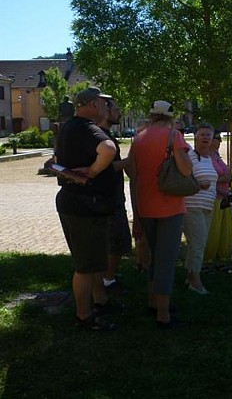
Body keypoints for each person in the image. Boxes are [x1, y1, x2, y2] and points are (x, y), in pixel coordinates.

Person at [54, 86, 120, 330]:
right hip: (84, 205)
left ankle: (100, 300)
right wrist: (93, 171)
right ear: (93, 105)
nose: (105, 107)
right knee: (84, 265)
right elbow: (108, 149)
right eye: (103, 103)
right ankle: (84, 316)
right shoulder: (86, 128)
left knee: (93, 260)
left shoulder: (69, 127)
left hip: (75, 201)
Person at [129, 100, 192, 329]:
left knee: (155, 256)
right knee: (166, 260)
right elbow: (186, 170)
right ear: (170, 117)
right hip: (169, 206)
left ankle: (153, 301)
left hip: (145, 206)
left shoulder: (138, 138)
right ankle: (163, 315)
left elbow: (133, 175)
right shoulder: (173, 136)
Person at [98, 98, 132, 295]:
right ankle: (107, 280)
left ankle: (108, 276)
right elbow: (107, 168)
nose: (119, 113)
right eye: (116, 110)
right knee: (115, 241)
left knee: (117, 241)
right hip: (108, 198)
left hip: (115, 195)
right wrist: (130, 160)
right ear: (106, 111)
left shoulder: (107, 135)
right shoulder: (101, 136)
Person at [182, 123, 219, 295]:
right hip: (192, 206)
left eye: (208, 135)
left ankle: (189, 276)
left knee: (196, 244)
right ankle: (196, 281)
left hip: (207, 206)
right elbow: (182, 178)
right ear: (195, 137)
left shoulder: (209, 158)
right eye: (202, 134)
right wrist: (198, 185)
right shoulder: (189, 156)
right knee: (198, 244)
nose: (205, 137)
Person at [203, 131, 232, 270]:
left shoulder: (216, 155)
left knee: (223, 230)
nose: (220, 141)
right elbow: (206, 179)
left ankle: (220, 259)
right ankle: (206, 260)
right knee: (212, 230)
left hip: (224, 198)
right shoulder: (205, 157)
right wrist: (224, 179)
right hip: (213, 198)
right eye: (217, 139)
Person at [128, 118, 151, 272]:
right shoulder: (135, 147)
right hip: (138, 189)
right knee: (139, 225)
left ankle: (146, 261)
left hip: (150, 191)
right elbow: (129, 168)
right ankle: (141, 261)